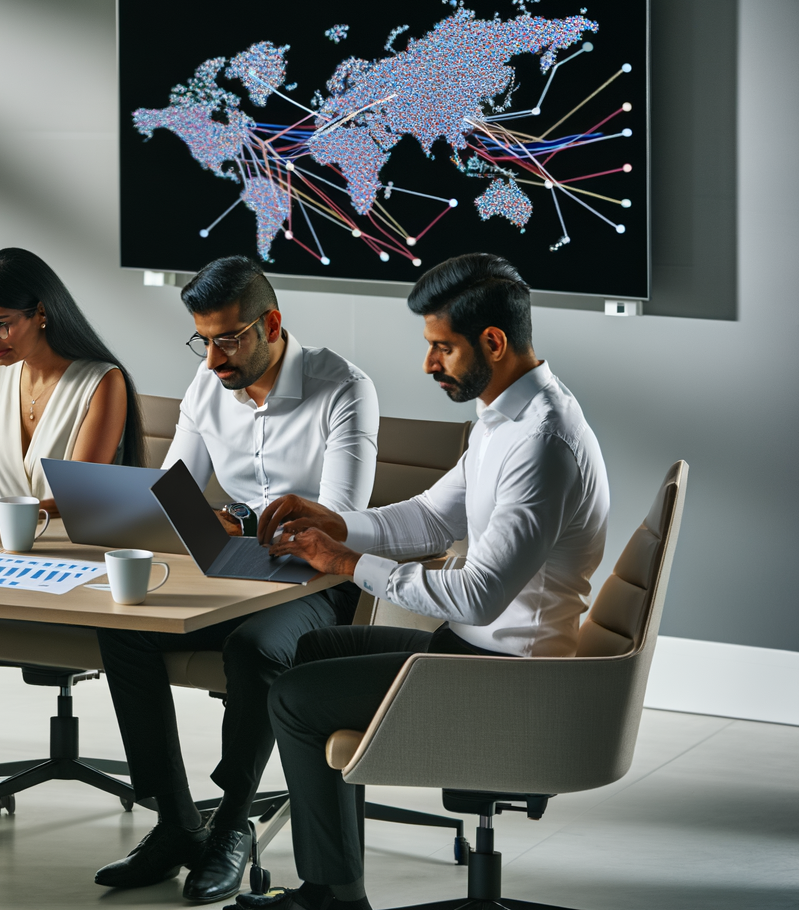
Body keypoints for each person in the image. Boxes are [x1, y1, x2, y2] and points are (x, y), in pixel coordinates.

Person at [243, 254, 610, 910]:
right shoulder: (505, 416)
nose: (428, 364)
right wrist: (337, 524)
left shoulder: (542, 441)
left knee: (298, 699)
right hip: (474, 650)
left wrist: (346, 564)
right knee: (312, 654)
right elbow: (433, 517)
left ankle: (331, 896)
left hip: (507, 677)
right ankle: (338, 877)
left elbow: (476, 595)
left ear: (491, 343)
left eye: (442, 348)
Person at [92, 256, 379, 904]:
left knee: (255, 647)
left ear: (270, 323)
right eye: (203, 339)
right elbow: (174, 492)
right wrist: (190, 518)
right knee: (121, 620)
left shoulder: (343, 388)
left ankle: (231, 821)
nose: (214, 358)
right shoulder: (206, 385)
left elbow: (335, 522)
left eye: (227, 339)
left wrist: (240, 519)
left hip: (316, 581)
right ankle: (175, 822)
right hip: (232, 570)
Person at [0, 247, 144, 526]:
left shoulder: (101, 383)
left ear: (41, 312)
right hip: (5, 542)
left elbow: (78, 498)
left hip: (70, 544)